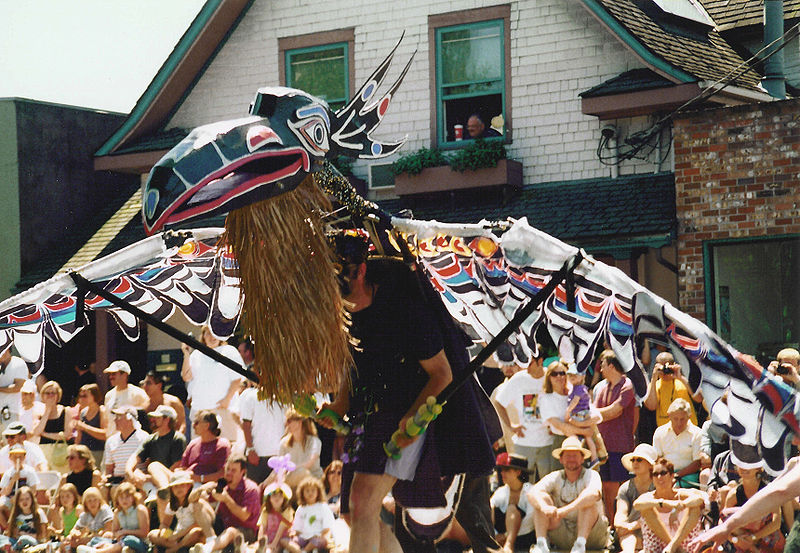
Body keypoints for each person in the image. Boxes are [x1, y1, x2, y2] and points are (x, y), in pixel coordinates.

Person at [322, 232, 501, 553]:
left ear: (360, 271)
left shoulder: (407, 312)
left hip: (418, 417)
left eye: (341, 285)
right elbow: (354, 366)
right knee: (353, 512)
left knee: (364, 502)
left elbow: (441, 374)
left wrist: (411, 421)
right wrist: (339, 403)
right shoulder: (344, 314)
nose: (338, 298)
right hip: (369, 417)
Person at [527, 436, 608, 553]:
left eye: (575, 455)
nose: (571, 459)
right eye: (567, 456)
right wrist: (544, 507)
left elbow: (594, 494)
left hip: (592, 535)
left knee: (587, 502)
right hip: (563, 534)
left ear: (582, 459)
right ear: (561, 459)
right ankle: (541, 544)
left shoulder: (591, 474)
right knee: (541, 498)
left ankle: (580, 544)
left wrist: (564, 511)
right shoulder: (555, 476)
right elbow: (532, 492)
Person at [592, 349, 636, 520]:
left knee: (624, 489)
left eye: (602, 365)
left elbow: (615, 411)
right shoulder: (602, 387)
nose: (600, 369)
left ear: (611, 365)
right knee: (608, 488)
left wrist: (592, 415)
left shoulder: (627, 385)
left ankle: (626, 524)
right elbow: (597, 411)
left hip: (621, 446)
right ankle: (613, 527)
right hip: (603, 448)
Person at [181, 325, 245, 443]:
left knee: (227, 447)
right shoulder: (196, 355)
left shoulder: (229, 351)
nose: (212, 337)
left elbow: (237, 379)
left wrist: (227, 400)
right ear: (203, 336)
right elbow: (186, 376)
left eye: (214, 333)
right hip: (200, 411)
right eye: (208, 333)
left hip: (223, 410)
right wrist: (186, 354)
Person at [494, 349, 554, 476]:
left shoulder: (553, 376)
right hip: (524, 444)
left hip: (549, 443)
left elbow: (566, 398)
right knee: (524, 486)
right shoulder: (518, 379)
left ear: (540, 361)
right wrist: (511, 426)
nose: (526, 368)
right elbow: (499, 403)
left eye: (530, 363)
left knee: (548, 486)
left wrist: (556, 425)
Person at [633, 457, 705, 553]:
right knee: (647, 509)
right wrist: (666, 503)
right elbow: (637, 504)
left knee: (694, 508)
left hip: (686, 549)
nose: (659, 477)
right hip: (659, 549)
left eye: (663, 473)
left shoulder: (681, 494)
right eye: (655, 474)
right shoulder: (649, 497)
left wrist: (681, 506)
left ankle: (673, 546)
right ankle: (674, 546)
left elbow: (699, 499)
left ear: (671, 476)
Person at [191, 455, 261, 552]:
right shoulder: (223, 485)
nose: (229, 473)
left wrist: (226, 499)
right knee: (198, 504)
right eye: (227, 469)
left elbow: (244, 516)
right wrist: (202, 489)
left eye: (233, 470)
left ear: (243, 472)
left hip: (245, 532)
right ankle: (211, 540)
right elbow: (191, 500)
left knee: (230, 532)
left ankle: (207, 549)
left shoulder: (251, 489)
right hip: (223, 525)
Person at [720, 459, 784, 553]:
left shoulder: (768, 491)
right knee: (727, 515)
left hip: (764, 538)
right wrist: (735, 540)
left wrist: (753, 538)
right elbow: (722, 523)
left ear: (758, 468)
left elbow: (776, 523)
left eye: (749, 465)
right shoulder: (734, 494)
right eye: (741, 465)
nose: (744, 468)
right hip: (739, 541)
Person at [538, 361, 598, 456]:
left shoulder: (576, 393)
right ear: (548, 378)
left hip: (585, 441)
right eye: (554, 374)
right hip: (561, 442)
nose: (559, 377)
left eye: (562, 373)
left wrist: (582, 425)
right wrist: (584, 431)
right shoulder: (545, 399)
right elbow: (560, 425)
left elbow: (596, 415)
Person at [148, 472, 208, 553]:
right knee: (152, 534)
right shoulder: (172, 504)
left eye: (182, 485)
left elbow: (197, 524)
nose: (179, 489)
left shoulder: (194, 502)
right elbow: (165, 524)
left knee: (196, 532)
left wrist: (178, 535)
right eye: (175, 486)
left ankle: (175, 549)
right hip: (178, 535)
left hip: (191, 533)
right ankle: (181, 547)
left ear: (189, 486)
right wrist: (164, 532)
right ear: (171, 489)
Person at [239, 384, 286, 484]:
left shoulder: (285, 398)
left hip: (279, 456)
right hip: (257, 456)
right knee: (256, 491)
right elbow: (246, 425)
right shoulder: (251, 397)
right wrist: (250, 449)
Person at [615, 443, 657, 553]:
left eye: (639, 460)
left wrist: (634, 526)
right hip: (630, 532)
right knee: (622, 530)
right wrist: (621, 525)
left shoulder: (659, 485)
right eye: (633, 460)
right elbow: (621, 512)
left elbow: (659, 515)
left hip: (654, 529)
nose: (635, 463)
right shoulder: (625, 487)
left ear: (650, 465)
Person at [652, 399, 702, 488]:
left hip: (689, 475)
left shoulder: (697, 433)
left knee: (675, 487)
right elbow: (657, 459)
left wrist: (676, 475)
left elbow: (697, 463)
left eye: (682, 419)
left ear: (689, 416)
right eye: (675, 419)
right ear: (669, 416)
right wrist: (667, 475)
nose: (679, 423)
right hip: (665, 473)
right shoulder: (660, 432)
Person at [490, 453, 535, 553]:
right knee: (490, 507)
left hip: (524, 537)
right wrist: (496, 534)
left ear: (518, 472)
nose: (502, 473)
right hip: (500, 537)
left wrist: (506, 536)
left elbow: (530, 520)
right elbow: (488, 511)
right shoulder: (501, 491)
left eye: (507, 470)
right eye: (501, 470)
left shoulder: (531, 491)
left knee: (511, 509)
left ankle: (509, 545)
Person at [643, 353, 698, 427]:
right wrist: (654, 379)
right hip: (666, 432)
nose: (665, 371)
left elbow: (699, 399)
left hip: (688, 428)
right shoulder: (654, 386)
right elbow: (651, 406)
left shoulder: (683, 381)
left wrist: (680, 377)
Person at [565, 365, 605, 466]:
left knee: (576, 432)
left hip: (580, 414)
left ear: (582, 376)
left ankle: (591, 455)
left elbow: (575, 401)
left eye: (575, 375)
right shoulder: (575, 388)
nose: (572, 377)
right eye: (570, 375)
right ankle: (594, 458)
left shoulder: (579, 388)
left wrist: (568, 411)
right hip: (581, 414)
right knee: (587, 437)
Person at [94, 482, 150, 553]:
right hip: (122, 541)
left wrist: (125, 532)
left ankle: (100, 551)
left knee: (129, 540)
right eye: (121, 497)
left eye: (127, 496)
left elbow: (144, 532)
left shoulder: (140, 510)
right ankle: (109, 548)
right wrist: (118, 535)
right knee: (97, 539)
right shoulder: (117, 512)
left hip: (139, 542)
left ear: (133, 497)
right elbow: (115, 531)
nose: (124, 500)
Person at [103, 406, 148, 492]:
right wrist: (107, 478)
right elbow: (109, 469)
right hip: (116, 482)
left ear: (130, 419)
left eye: (119, 417)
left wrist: (130, 479)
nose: (115, 420)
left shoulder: (144, 437)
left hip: (136, 481)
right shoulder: (111, 441)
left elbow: (148, 465)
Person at [180, 410, 230, 486]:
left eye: (196, 422)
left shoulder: (222, 445)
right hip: (186, 482)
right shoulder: (192, 443)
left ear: (206, 425)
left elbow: (222, 473)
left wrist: (200, 478)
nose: (193, 425)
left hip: (206, 486)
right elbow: (183, 467)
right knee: (156, 466)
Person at [285, 476, 334, 553]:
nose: (310, 493)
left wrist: (321, 535)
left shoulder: (323, 507)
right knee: (284, 541)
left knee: (316, 542)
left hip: (317, 537)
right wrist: (293, 533)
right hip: (303, 537)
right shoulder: (301, 508)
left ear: (318, 492)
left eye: (313, 490)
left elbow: (327, 528)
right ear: (302, 493)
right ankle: (298, 551)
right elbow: (297, 528)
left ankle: (304, 551)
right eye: (307, 491)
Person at [275, 410, 322, 487]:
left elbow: (309, 464)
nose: (286, 424)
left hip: (312, 483)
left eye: (289, 421)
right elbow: (279, 466)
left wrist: (289, 468)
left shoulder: (314, 441)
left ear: (300, 422)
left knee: (302, 472)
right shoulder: (283, 443)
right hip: (292, 481)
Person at [103, 361, 148, 436]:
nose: (110, 377)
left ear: (124, 375)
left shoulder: (137, 393)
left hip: (131, 440)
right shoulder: (108, 395)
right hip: (112, 440)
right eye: (109, 374)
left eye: (114, 374)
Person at [32, 381, 70, 471]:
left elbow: (66, 434)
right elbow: (36, 432)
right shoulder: (38, 411)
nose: (50, 396)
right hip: (44, 450)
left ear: (58, 395)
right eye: (47, 393)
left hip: (60, 451)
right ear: (43, 395)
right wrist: (47, 411)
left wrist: (45, 434)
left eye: (53, 393)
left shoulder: (65, 410)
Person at [0, 446, 41, 529]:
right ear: (10, 458)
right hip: (10, 498)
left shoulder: (29, 471)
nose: (18, 459)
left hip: (25, 498)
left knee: (17, 505)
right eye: (15, 457)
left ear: (24, 458)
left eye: (20, 457)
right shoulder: (8, 473)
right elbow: (4, 492)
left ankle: (19, 528)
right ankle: (8, 528)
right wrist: (13, 480)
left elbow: (33, 490)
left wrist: (19, 497)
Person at [0, 486, 48, 550]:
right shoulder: (16, 515)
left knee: (24, 539)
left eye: (27, 499)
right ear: (18, 502)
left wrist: (26, 535)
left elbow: (43, 534)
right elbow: (13, 534)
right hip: (18, 542)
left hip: (34, 542)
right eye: (21, 500)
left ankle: (12, 549)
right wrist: (17, 535)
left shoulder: (39, 513)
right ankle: (11, 548)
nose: (24, 502)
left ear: (32, 499)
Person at [141, 371, 186, 435]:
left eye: (148, 383)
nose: (145, 386)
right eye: (143, 383)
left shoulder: (173, 402)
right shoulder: (143, 404)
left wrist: (176, 441)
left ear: (159, 385)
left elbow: (182, 425)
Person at [73, 383, 107, 469]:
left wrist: (85, 427)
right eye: (80, 396)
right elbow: (79, 435)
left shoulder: (102, 411)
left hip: (98, 452)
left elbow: (104, 434)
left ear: (94, 396)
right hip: (83, 454)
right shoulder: (83, 412)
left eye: (85, 396)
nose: (81, 399)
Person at [258, 482, 294, 553]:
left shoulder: (287, 511)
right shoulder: (266, 510)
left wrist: (273, 544)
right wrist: (260, 541)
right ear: (269, 497)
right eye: (274, 495)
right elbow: (262, 526)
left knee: (270, 551)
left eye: (280, 496)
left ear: (284, 498)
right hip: (268, 537)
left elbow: (281, 529)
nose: (277, 498)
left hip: (281, 538)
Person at [0, 347, 29, 431]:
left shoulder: (18, 363)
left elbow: (17, 387)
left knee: (10, 441)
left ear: (8, 349)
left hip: (10, 412)